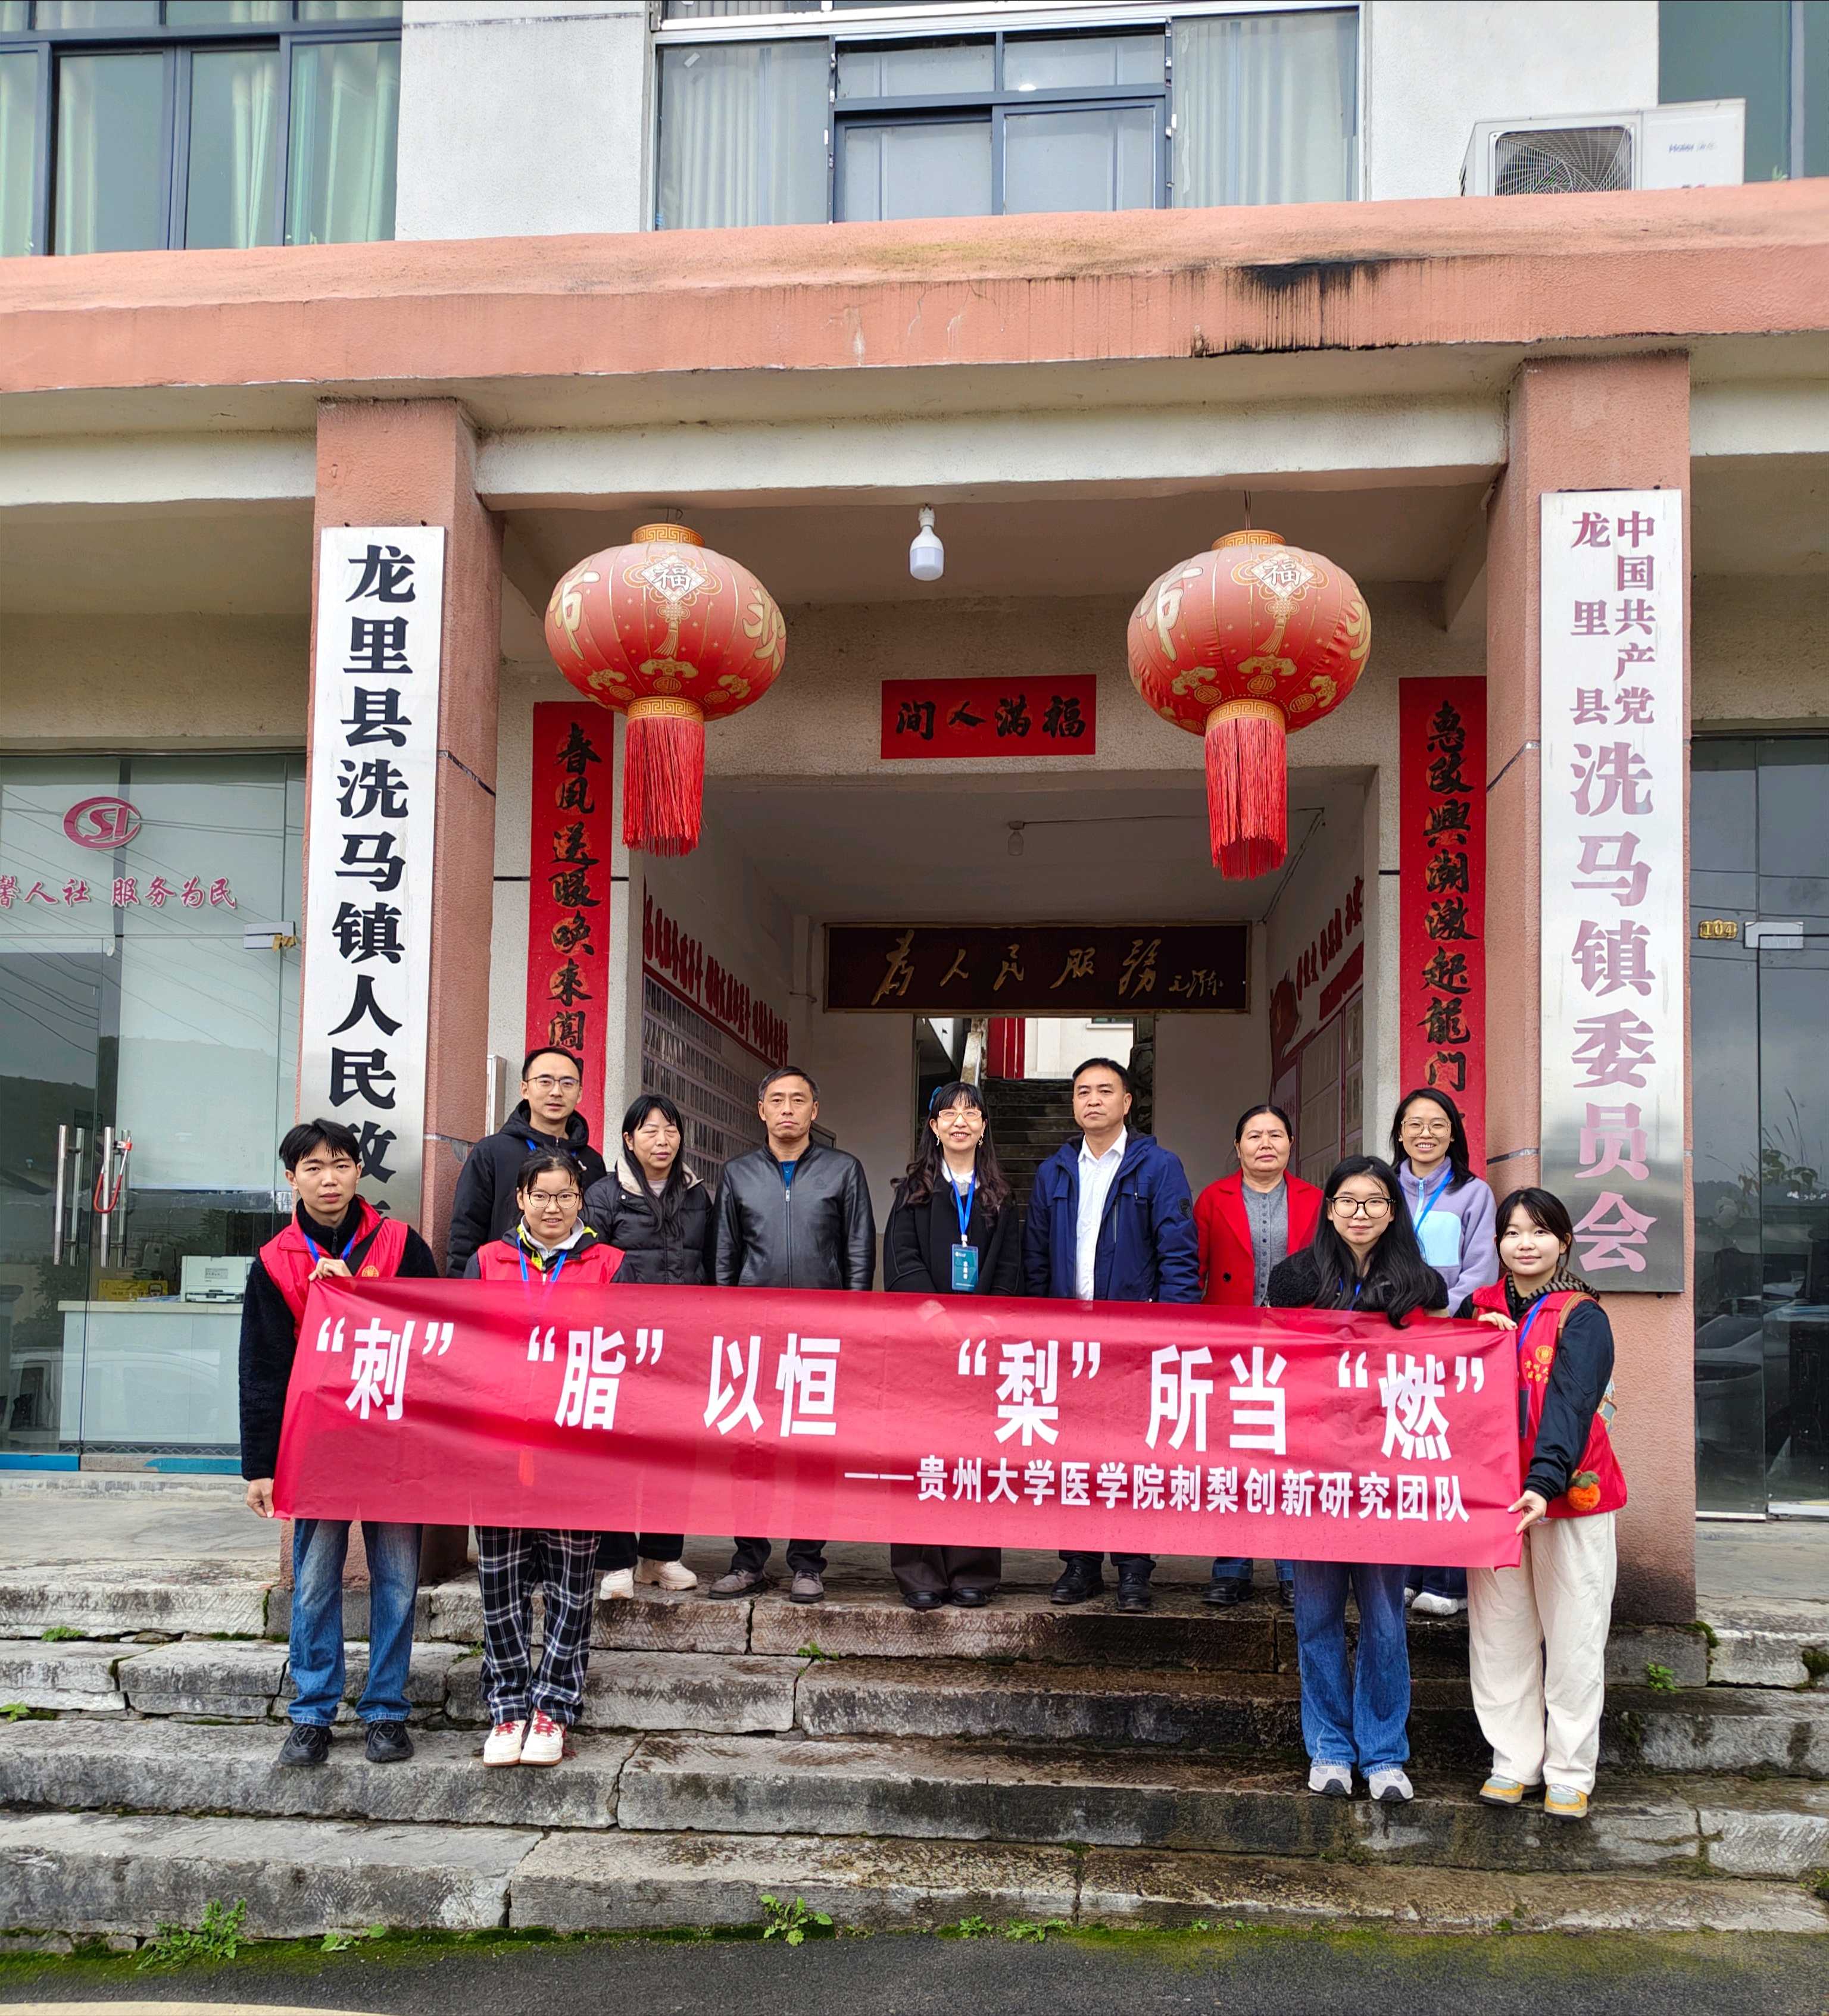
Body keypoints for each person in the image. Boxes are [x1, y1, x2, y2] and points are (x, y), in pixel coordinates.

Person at [238, 1118, 440, 1769]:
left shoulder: (401, 1244)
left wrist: (359, 1294)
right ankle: (312, 1713)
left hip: (394, 1440)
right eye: (314, 1167)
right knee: (316, 1582)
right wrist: (260, 1466)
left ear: (359, 1171)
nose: (330, 1179)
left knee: (398, 1580)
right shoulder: (277, 1260)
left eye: (342, 1164)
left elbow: (439, 1339)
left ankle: (385, 1710)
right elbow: (262, 1369)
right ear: (291, 1177)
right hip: (317, 1446)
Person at [1266, 1155, 1447, 1805]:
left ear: (1393, 1212)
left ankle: (1385, 1752)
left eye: (1374, 1202)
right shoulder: (1294, 1278)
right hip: (1313, 1474)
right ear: (1330, 1208)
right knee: (1316, 1615)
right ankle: (1329, 1748)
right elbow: (1272, 1361)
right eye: (1347, 1201)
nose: (1360, 1213)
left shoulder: (1421, 1284)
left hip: (1385, 1478)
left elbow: (1444, 1364)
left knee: (1384, 1619)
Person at [1463, 1188, 1627, 1822]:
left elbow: (1572, 1401)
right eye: (1512, 1232)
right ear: (1497, 1243)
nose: (1524, 1243)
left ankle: (1570, 1770)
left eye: (1538, 1232)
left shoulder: (1583, 1316)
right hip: (1495, 1499)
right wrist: (1466, 1339)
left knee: (1574, 1635)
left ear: (1563, 1242)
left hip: (1570, 1496)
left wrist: (1545, 1480)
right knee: (1500, 1635)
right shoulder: (1476, 1309)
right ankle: (1514, 1760)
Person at [464, 1150, 624, 1767]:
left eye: (564, 1196)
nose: (552, 1208)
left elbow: (628, 1352)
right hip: (500, 1446)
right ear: (521, 1200)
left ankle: (554, 1707)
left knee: (571, 1588)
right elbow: (461, 1344)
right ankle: (507, 1707)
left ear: (580, 1200)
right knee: (499, 1585)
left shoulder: (611, 1265)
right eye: (541, 1196)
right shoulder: (487, 1261)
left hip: (575, 1449)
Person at [1023, 1056, 1198, 1614]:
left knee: (1133, 1454)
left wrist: (1171, 1334)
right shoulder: (1054, 1171)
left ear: (1127, 1102)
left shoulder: (1159, 1167)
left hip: (1135, 1342)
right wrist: (1037, 1331)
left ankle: (1133, 1566)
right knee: (1073, 1453)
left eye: (1105, 1090)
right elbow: (1035, 1257)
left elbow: (1179, 1256)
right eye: (1083, 1091)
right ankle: (1079, 1562)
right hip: (1068, 1340)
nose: (1093, 1100)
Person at [708, 1065, 876, 1605]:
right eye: (777, 1099)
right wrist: (729, 1328)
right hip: (755, 1337)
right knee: (750, 1449)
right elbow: (724, 1256)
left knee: (813, 1452)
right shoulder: (738, 1173)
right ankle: (748, 1560)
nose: (787, 1109)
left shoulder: (843, 1171)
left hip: (821, 1336)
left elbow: (858, 1251)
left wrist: (852, 1324)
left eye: (798, 1100)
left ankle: (807, 1562)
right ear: (761, 1110)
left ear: (814, 1110)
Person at [882, 1082, 1022, 1611]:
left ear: (984, 1127)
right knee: (920, 1456)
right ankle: (919, 1571)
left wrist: (987, 1320)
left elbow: (1010, 1267)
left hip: (984, 1348)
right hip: (923, 1346)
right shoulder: (912, 1191)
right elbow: (901, 1259)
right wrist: (935, 1316)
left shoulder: (1000, 1196)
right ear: (934, 1126)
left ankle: (973, 1570)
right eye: (949, 1113)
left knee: (977, 1457)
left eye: (971, 1112)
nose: (960, 1120)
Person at [582, 1093, 714, 1599]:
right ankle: (616, 1561)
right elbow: (590, 1265)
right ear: (629, 1139)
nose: (663, 1140)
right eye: (650, 1130)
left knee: (673, 1452)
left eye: (671, 1129)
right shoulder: (604, 1194)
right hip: (621, 1346)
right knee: (617, 1452)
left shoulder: (697, 1194)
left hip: (682, 1344)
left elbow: (711, 1263)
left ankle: (661, 1556)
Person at [1194, 1102, 1323, 1611]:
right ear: (1238, 1146)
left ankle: (1294, 1568)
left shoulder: (1316, 1199)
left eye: (1275, 1134)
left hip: (1296, 1344)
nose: (1265, 1143)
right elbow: (1195, 1267)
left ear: (1291, 1143)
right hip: (1230, 1342)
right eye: (1254, 1135)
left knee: (1291, 1456)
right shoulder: (1213, 1197)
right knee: (1232, 1456)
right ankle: (1231, 1566)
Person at [1389, 1087, 1499, 1618]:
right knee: (1398, 1458)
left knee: (1445, 1459)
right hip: (1389, 1343)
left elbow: (1481, 1270)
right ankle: (1405, 1572)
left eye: (1437, 1123)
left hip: (1449, 1344)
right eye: (1414, 1123)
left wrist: (1437, 1312)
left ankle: (1448, 1580)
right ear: (1400, 1132)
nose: (1425, 1133)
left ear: (1453, 1132)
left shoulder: (1474, 1193)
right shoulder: (1382, 1189)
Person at [445, 1046, 609, 1278]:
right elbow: (465, 1233)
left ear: (580, 1093)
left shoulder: (592, 1161)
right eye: (545, 1082)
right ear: (524, 1089)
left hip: (576, 1289)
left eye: (567, 1083)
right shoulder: (491, 1152)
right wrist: (461, 1292)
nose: (556, 1092)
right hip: (503, 1286)